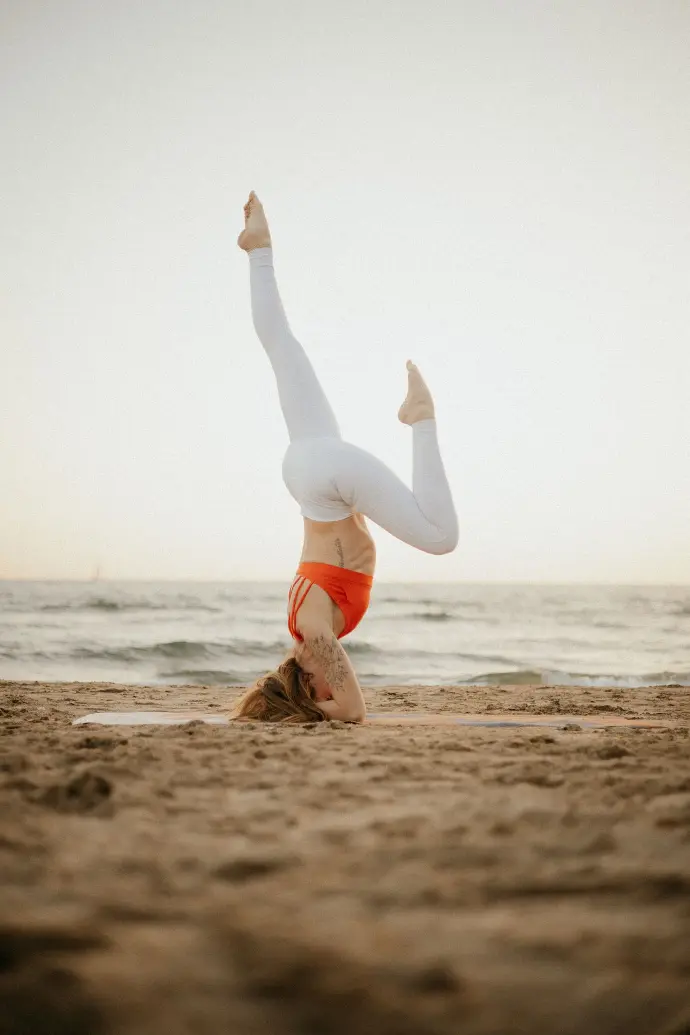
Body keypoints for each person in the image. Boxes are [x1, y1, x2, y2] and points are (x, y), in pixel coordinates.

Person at [232, 192, 458, 723]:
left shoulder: (313, 634)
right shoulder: (301, 623)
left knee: (441, 538)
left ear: (304, 688)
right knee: (282, 349)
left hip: (326, 481)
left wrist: (320, 711)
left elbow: (353, 711)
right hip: (308, 472)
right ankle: (257, 249)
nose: (329, 686)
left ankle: (420, 418)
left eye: (318, 691)